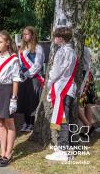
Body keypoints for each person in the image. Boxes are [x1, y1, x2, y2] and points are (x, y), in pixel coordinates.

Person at [45, 27, 78, 161]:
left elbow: (56, 71)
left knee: (62, 119)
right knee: (65, 118)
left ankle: (63, 150)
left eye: (55, 37)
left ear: (61, 39)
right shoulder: (73, 52)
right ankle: (65, 147)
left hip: (62, 89)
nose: (53, 39)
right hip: (69, 88)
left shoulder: (62, 52)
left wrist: (48, 84)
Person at [0, 30, 20, 167]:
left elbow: (15, 80)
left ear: (7, 43)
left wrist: (14, 98)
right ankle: (2, 152)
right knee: (0, 122)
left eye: (0, 42)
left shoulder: (13, 59)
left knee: (9, 122)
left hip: (8, 91)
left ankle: (9, 152)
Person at [17, 26, 45, 132]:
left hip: (34, 77)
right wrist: (21, 73)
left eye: (27, 34)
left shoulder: (38, 48)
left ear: (32, 35)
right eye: (23, 34)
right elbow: (20, 63)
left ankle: (32, 123)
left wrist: (27, 74)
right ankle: (26, 122)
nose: (24, 36)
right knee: (24, 100)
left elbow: (37, 65)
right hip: (24, 77)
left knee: (32, 100)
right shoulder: (21, 48)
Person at [78, 47, 97, 137]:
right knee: (87, 103)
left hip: (84, 75)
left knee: (77, 104)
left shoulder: (80, 48)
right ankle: (88, 129)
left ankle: (88, 125)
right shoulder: (87, 48)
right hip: (88, 75)